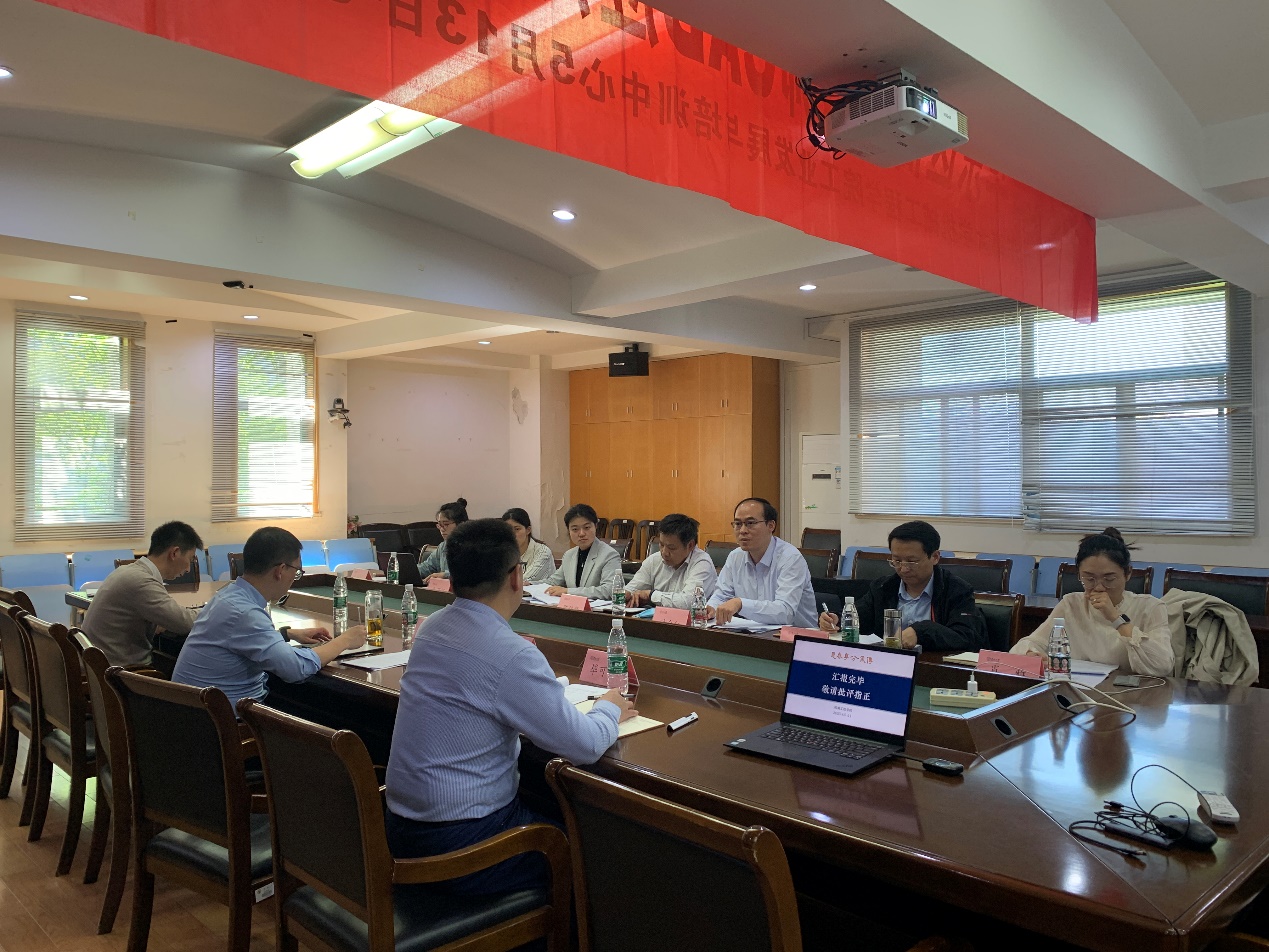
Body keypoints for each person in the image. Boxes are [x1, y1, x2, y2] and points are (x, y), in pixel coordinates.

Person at [385, 518, 636, 895]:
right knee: (601, 854)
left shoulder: (432, 626)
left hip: (400, 827)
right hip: (463, 843)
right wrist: (609, 707)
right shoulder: (511, 654)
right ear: (517, 577)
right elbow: (584, 746)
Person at [172, 527, 367, 710]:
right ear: (280, 571)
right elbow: (295, 669)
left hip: (196, 714)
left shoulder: (228, 596)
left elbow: (238, 640)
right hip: (225, 724)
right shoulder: (245, 613)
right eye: (296, 572)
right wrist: (345, 640)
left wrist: (286, 634)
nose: (294, 579)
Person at [1012, 528, 1173, 675]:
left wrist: (1115, 618)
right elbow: (1029, 644)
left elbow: (1162, 665)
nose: (1099, 587)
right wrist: (1031, 654)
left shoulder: (1151, 607)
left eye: (1109, 579)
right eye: (1089, 579)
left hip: (1130, 692)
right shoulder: (1071, 604)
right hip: (1079, 689)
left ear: (1128, 573)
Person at [817, 521, 988, 651]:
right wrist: (836, 619)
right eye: (896, 561)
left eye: (912, 561)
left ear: (935, 557)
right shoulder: (883, 587)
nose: (903, 569)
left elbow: (967, 636)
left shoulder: (957, 591)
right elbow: (860, 615)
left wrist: (921, 632)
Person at [81, 521, 206, 666]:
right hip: (122, 672)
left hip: (102, 665)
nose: (188, 569)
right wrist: (213, 609)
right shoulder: (140, 581)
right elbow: (185, 623)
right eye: (190, 559)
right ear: (175, 553)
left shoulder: (128, 571)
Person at [708, 498, 817, 628]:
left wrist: (740, 604)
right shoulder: (735, 557)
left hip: (796, 635)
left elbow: (785, 612)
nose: (742, 530)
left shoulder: (791, 558)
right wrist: (710, 608)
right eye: (738, 524)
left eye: (750, 523)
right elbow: (722, 595)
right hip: (754, 633)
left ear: (771, 526)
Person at [624, 513, 718, 609]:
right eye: (661, 545)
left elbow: (689, 602)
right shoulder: (654, 560)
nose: (664, 552)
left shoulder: (702, 563)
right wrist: (627, 594)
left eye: (671, 548)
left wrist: (652, 595)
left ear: (690, 545)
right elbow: (632, 589)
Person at [544, 504, 622, 600]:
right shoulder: (569, 555)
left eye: (587, 527)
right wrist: (530, 584)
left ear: (595, 526)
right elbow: (553, 581)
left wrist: (568, 592)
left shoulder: (609, 555)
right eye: (575, 529)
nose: (581, 534)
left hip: (594, 608)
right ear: (569, 531)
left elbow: (610, 590)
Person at [419, 498, 469, 581]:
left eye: (446, 524)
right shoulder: (443, 546)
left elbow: (470, 573)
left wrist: (445, 575)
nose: (442, 529)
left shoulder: (473, 546)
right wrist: (404, 570)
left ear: (461, 524)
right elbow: (426, 568)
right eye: (439, 525)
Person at [503, 507, 555, 585]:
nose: (512, 534)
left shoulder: (542, 551)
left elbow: (524, 581)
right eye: (508, 530)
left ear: (528, 530)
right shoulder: (503, 552)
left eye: (517, 529)